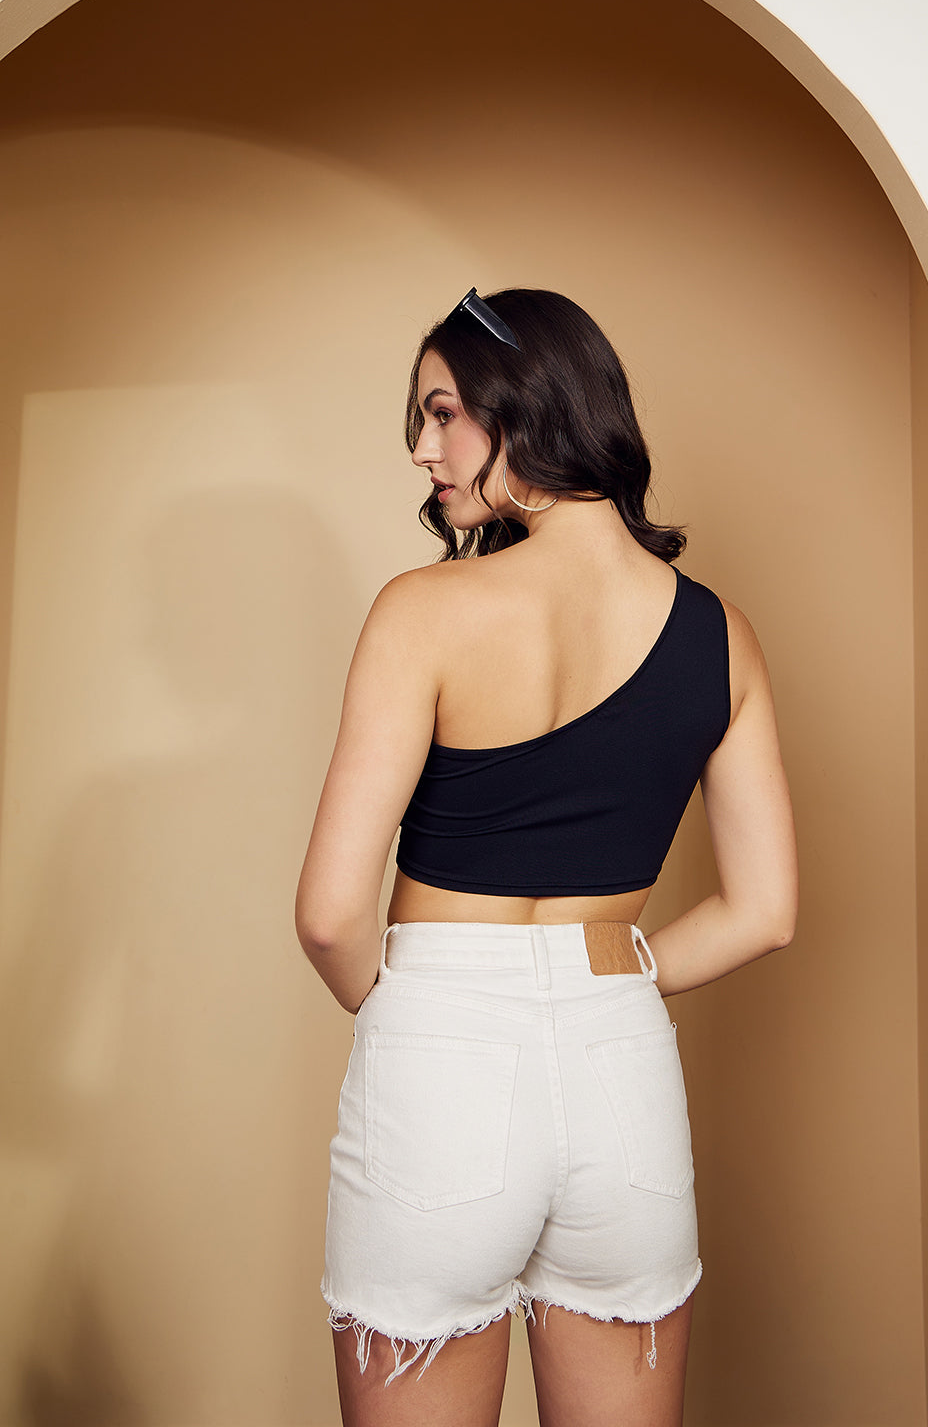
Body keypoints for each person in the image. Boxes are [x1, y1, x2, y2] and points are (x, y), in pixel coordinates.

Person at [295, 287, 798, 1427]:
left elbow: (329, 915)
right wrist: (612, 975)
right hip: (623, 1060)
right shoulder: (722, 635)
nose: (422, 451)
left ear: (524, 406)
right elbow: (764, 911)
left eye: (442, 414)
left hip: (440, 1052)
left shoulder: (422, 610)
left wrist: (416, 1004)